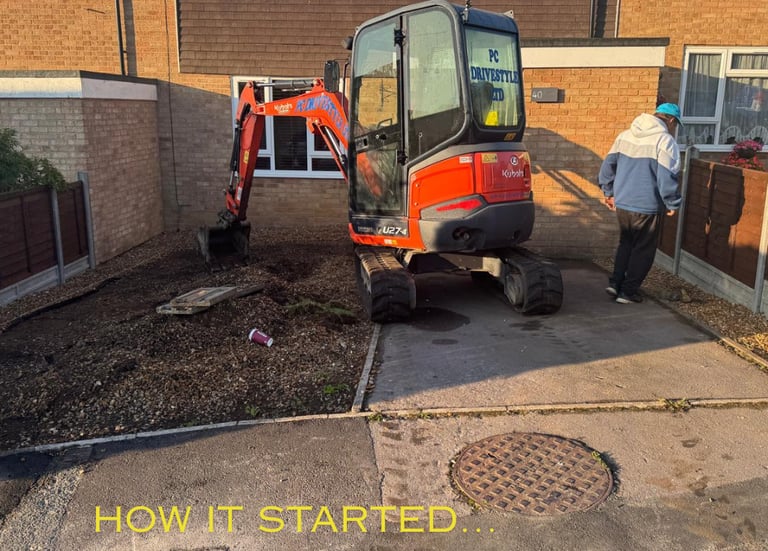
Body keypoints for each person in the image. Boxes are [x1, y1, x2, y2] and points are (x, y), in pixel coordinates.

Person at [598, 102, 683, 304]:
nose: (674, 128)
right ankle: (628, 292)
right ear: (670, 120)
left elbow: (607, 166)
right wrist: (672, 203)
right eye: (675, 124)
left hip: (623, 201)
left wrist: (608, 191)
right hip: (647, 204)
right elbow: (666, 176)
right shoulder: (665, 141)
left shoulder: (625, 135)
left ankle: (615, 283)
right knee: (643, 249)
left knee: (626, 243)